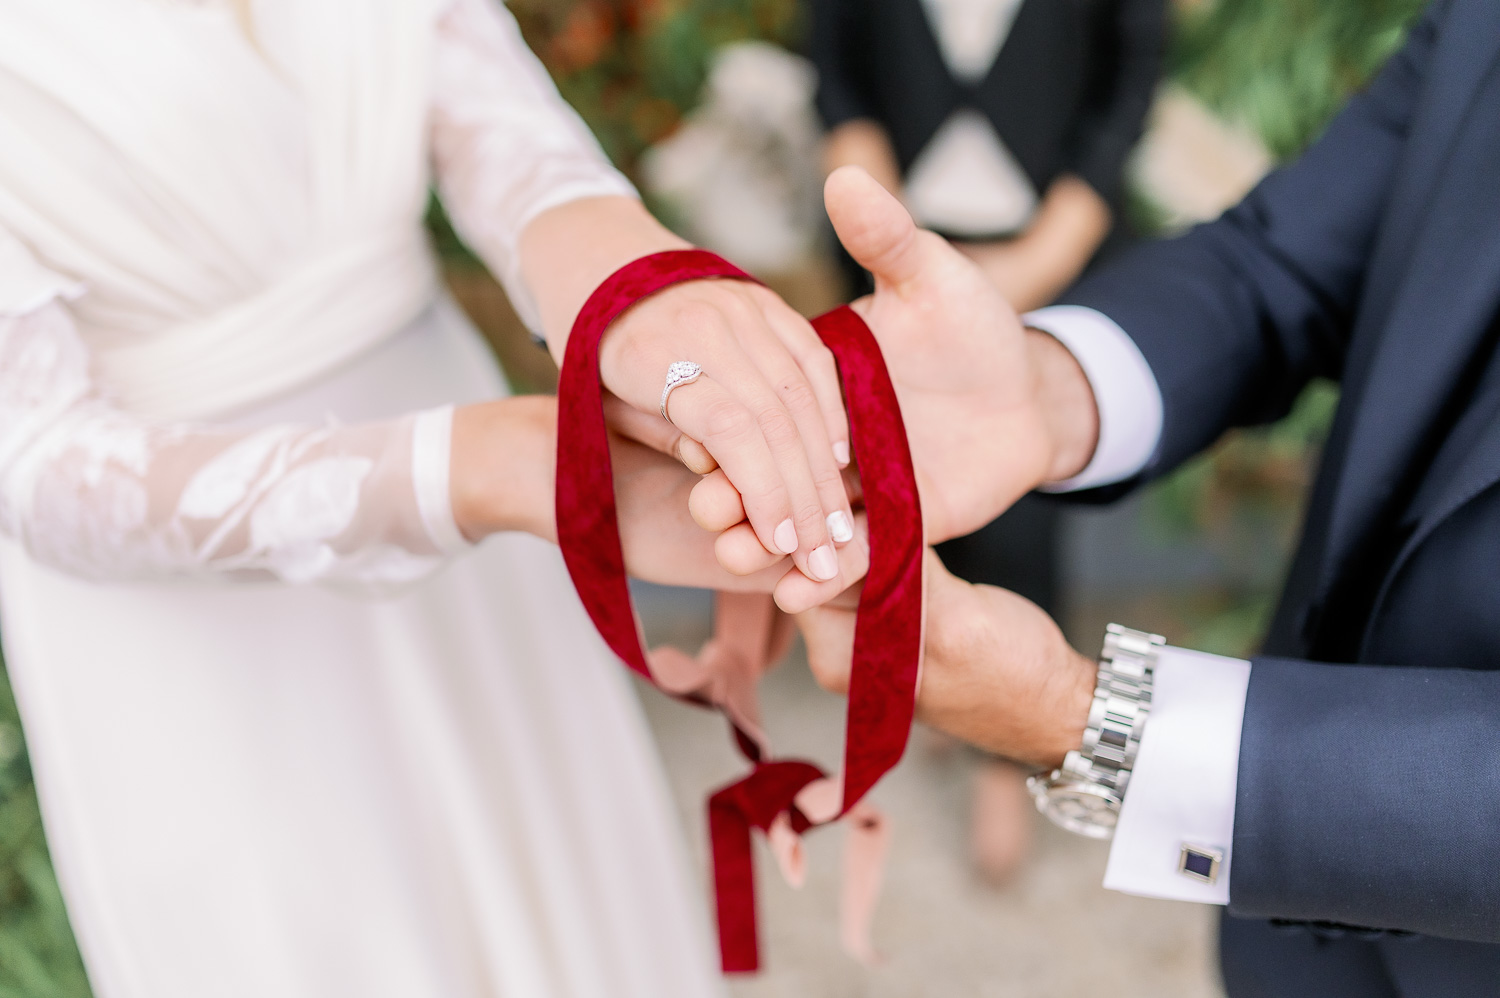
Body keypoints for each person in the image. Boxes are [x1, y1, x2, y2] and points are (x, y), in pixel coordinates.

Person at [0, 1, 858, 994]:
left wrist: (645, 304)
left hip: (478, 518)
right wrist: (484, 466)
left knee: (561, 892)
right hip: (210, 613)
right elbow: (35, 457)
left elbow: (508, 135)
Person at [781, 0, 1500, 991]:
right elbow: (1279, 260)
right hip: (1289, 945)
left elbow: (1120, 94)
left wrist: (1082, 719)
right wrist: (1045, 385)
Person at [808, 0, 1165, 882]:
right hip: (893, 248)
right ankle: (936, 688)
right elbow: (838, 74)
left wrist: (1046, 255)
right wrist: (885, 239)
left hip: (1048, 252)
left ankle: (1007, 759)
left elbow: (1129, 82)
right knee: (908, 478)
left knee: (1022, 500)